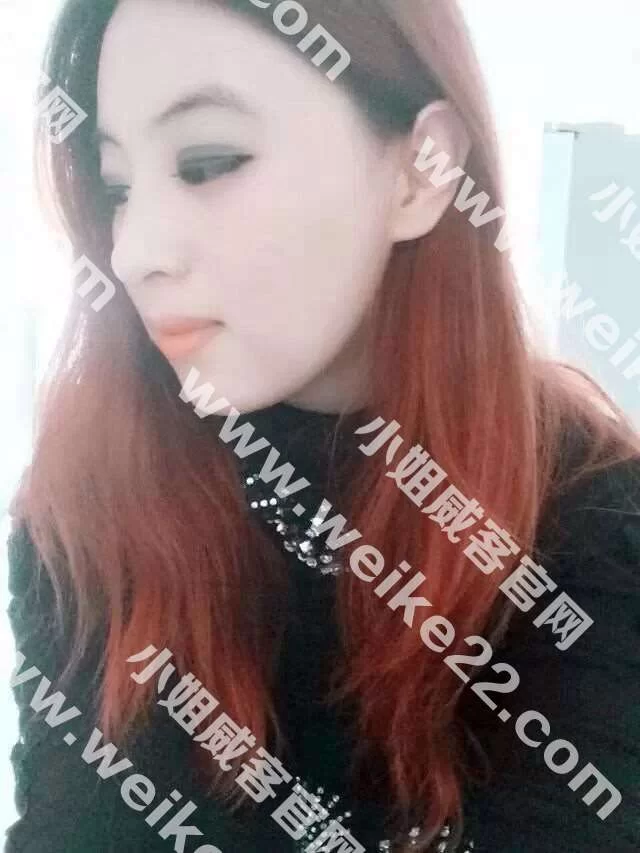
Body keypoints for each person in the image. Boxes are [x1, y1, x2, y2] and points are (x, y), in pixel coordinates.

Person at [5, 1, 640, 851]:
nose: (135, 252)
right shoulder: (90, 505)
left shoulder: (593, 526)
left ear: (420, 171)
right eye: (119, 188)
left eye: (209, 162)